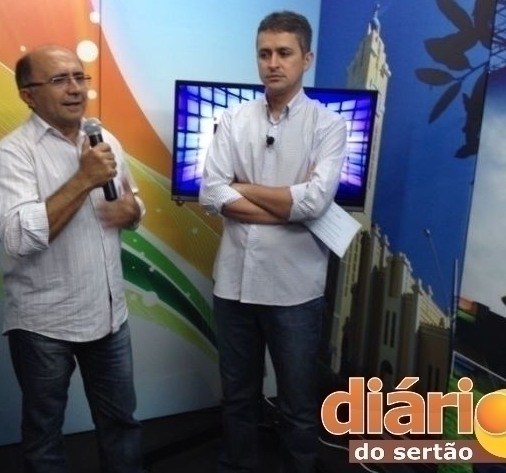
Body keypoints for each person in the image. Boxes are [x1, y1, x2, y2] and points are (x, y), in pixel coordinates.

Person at [0, 45, 146, 473]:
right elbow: (19, 238)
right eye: (59, 80)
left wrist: (132, 212)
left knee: (122, 425)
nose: (75, 89)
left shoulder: (104, 139)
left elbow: (132, 202)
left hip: (109, 315)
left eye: (79, 77)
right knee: (45, 437)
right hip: (44, 324)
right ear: (28, 95)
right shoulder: (13, 154)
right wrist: (82, 179)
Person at [199, 11, 348, 473]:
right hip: (233, 285)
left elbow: (315, 202)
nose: (273, 63)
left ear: (307, 58)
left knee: (298, 404)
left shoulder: (328, 126)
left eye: (284, 53)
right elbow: (211, 193)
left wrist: (242, 188)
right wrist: (287, 205)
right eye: (264, 53)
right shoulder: (233, 119)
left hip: (295, 290)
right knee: (237, 396)